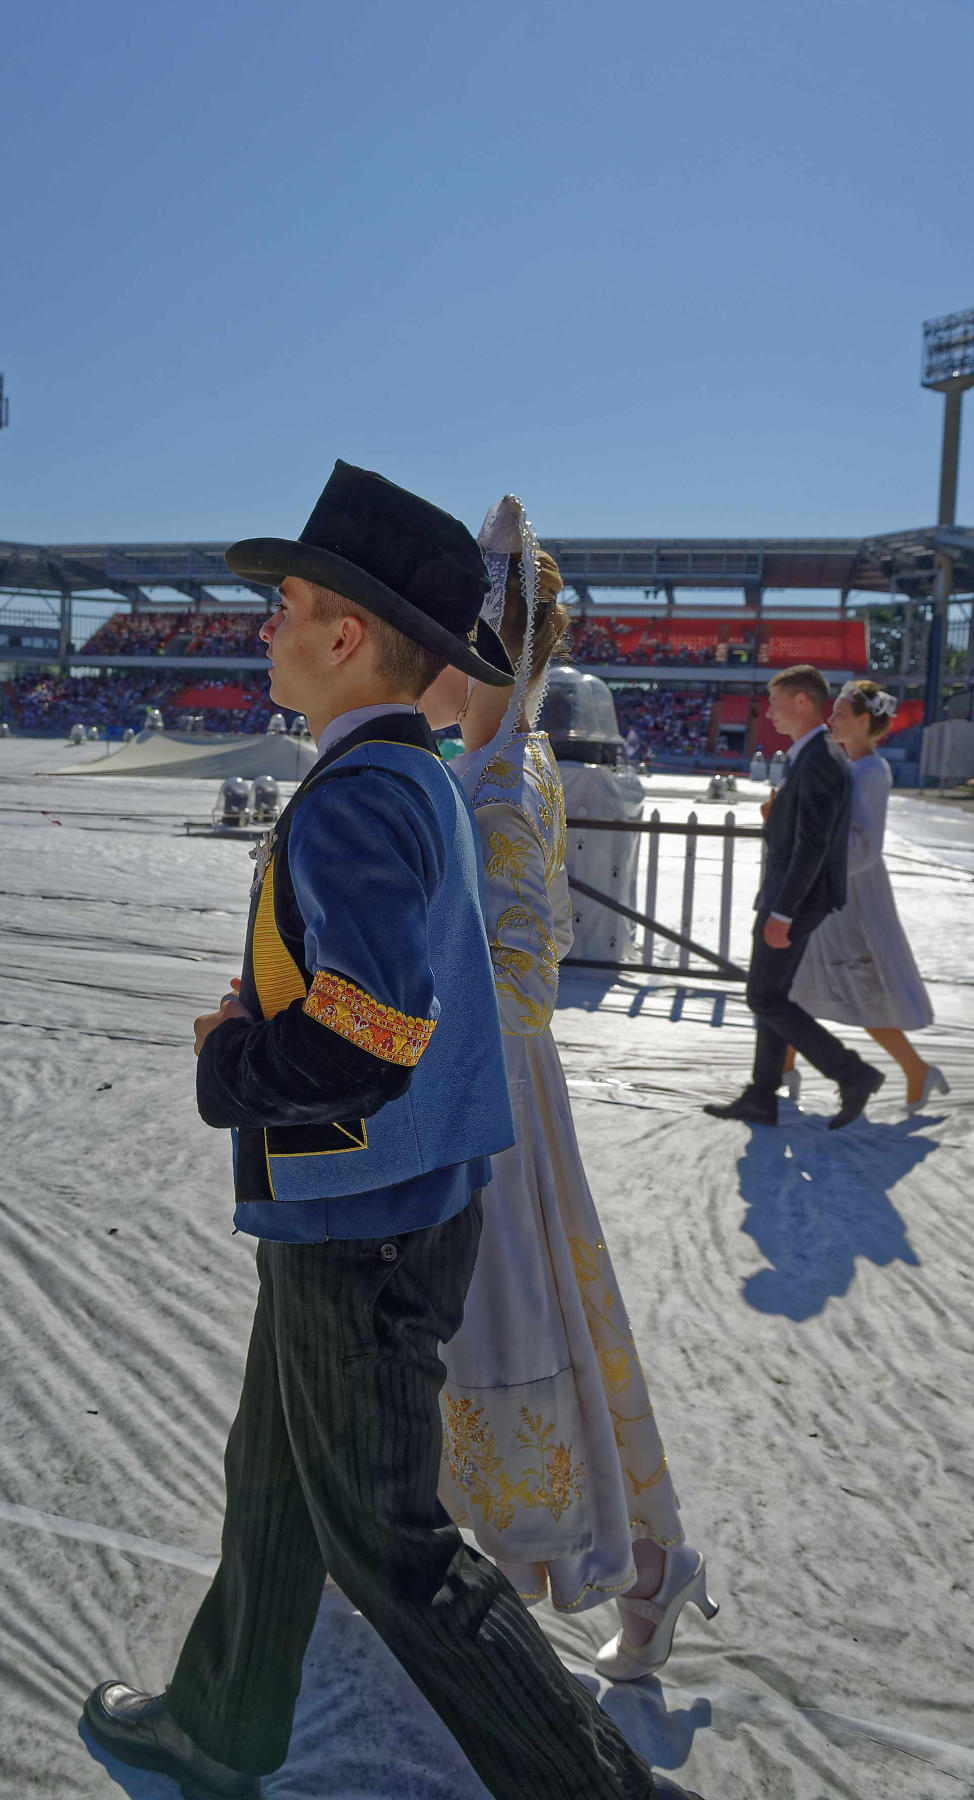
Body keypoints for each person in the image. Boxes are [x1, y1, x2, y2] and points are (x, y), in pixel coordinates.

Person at [82, 462, 705, 1800]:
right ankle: (218, 1727)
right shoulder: (407, 772)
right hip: (376, 1214)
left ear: (347, 635)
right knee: (272, 1485)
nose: (265, 627)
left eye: (286, 605)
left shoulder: (359, 795)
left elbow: (369, 1036)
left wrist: (232, 1057)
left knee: (394, 1546)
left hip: (355, 1233)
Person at [420, 497, 715, 1687]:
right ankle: (641, 1567)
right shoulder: (499, 758)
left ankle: (636, 1569)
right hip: (496, 1089)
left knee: (509, 1331)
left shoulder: (495, 775)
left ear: (483, 649)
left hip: (481, 1097)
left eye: (435, 634)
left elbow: (508, 980)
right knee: (544, 1332)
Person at [705, 664, 884, 1130]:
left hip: (794, 901)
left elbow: (813, 846)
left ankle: (853, 1072)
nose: (770, 712)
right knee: (772, 994)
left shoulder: (821, 758)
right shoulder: (811, 754)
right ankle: (763, 1095)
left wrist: (783, 912)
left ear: (803, 701)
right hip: (789, 896)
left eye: (777, 701)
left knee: (764, 997)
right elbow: (802, 832)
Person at [782, 679, 946, 1112]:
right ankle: (781, 1072)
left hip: (851, 898)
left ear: (862, 720)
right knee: (796, 984)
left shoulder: (872, 772)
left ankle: (916, 1069)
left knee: (861, 993)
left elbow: (865, 848)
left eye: (838, 713)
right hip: (831, 890)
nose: (830, 719)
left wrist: (818, 866)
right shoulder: (849, 766)